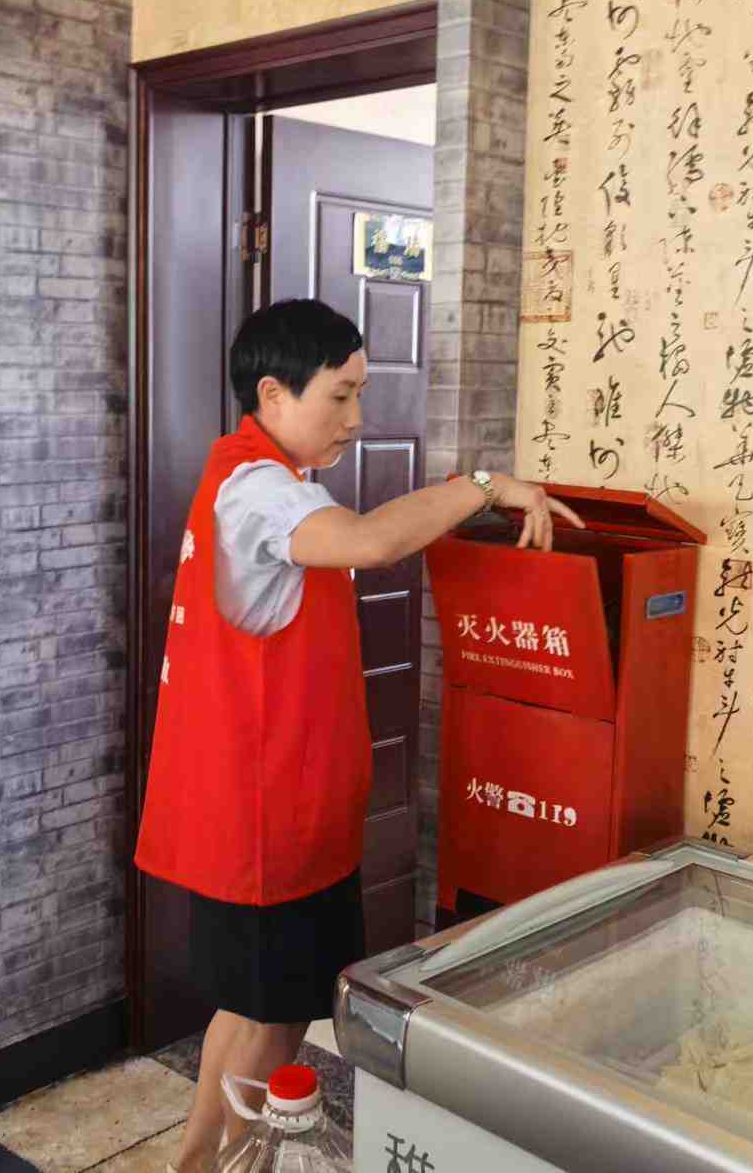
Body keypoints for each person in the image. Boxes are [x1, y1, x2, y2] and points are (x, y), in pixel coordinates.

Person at [135, 298, 584, 1172]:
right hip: (264, 823)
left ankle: (204, 1161)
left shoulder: (260, 475)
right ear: (273, 392)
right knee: (271, 1011)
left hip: (273, 810)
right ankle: (223, 1161)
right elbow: (375, 542)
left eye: (360, 393)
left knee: (258, 1004)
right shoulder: (259, 490)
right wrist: (486, 485)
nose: (356, 417)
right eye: (339, 396)